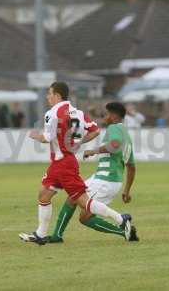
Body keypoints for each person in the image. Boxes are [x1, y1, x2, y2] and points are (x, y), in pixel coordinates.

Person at [19, 82, 134, 245]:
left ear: (58, 96)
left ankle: (120, 219)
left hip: (63, 164)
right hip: (62, 163)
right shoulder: (79, 113)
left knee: (83, 202)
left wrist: (33, 135)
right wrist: (78, 143)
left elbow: (47, 138)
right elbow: (94, 130)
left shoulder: (52, 113)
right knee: (44, 194)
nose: (47, 97)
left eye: (49, 93)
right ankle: (41, 234)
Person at [49, 102, 139, 243]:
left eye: (107, 114)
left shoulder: (114, 128)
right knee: (73, 197)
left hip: (105, 180)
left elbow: (114, 145)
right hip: (109, 180)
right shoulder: (126, 136)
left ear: (114, 116)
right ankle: (57, 236)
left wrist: (93, 151)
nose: (105, 117)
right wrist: (126, 191)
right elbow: (131, 167)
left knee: (84, 216)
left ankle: (123, 229)